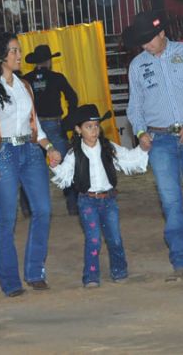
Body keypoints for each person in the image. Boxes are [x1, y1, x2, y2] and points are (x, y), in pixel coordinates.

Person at [124, 10, 183, 281]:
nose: (145, 45)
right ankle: (181, 259)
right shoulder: (137, 66)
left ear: (162, 32)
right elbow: (135, 105)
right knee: (170, 201)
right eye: (141, 42)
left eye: (149, 39)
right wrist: (140, 131)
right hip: (159, 139)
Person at [0, 32, 62, 297]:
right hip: (2, 153)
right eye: (14, 51)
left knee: (43, 210)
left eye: (19, 50)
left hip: (31, 151)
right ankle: (10, 282)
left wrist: (49, 147)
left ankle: (35, 272)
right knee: (7, 218)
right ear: (1, 56)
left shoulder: (25, 86)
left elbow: (35, 124)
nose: (19, 55)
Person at [49, 104, 149, 288]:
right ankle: (91, 276)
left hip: (109, 199)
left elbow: (128, 158)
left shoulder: (108, 147)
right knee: (93, 240)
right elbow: (65, 174)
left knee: (115, 238)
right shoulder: (74, 153)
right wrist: (55, 165)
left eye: (96, 126)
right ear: (78, 130)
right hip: (87, 201)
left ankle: (119, 270)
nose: (94, 130)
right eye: (89, 127)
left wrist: (142, 149)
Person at [23, 44, 79, 215]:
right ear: (49, 61)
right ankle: (72, 204)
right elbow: (72, 97)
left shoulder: (26, 80)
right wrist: (69, 120)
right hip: (54, 124)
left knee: (31, 167)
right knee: (65, 165)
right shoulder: (56, 77)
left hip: (33, 128)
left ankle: (27, 206)